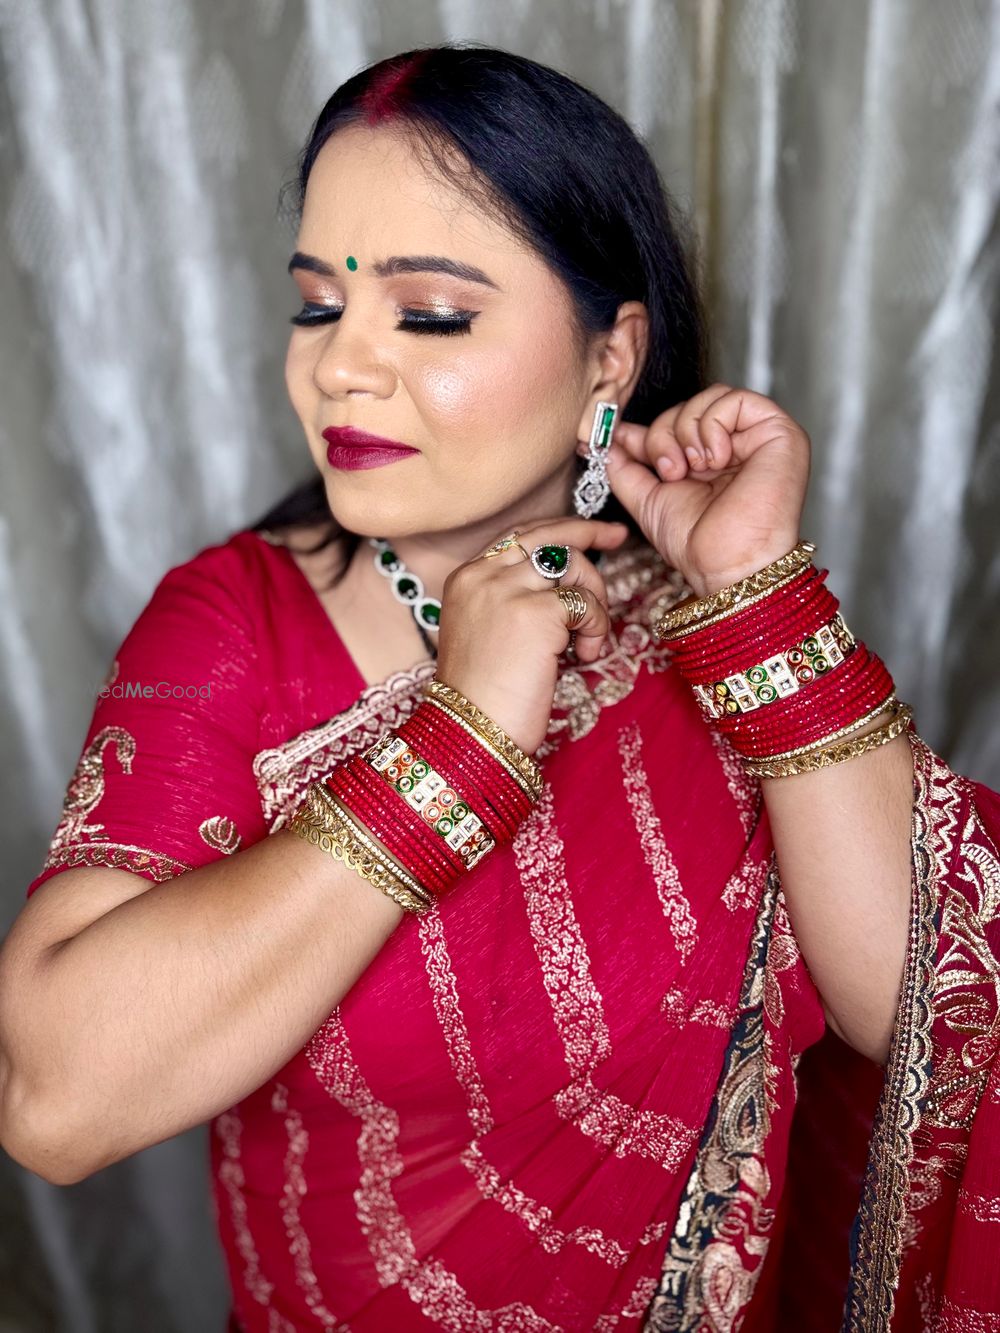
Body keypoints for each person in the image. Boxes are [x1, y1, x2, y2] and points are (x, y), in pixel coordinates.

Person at [1, 42, 997, 1333]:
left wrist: (754, 586)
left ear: (610, 358)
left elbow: (925, 1010)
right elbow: (55, 1101)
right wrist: (458, 740)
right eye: (318, 305)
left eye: (427, 314)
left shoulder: (702, 613)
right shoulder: (235, 625)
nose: (339, 366)